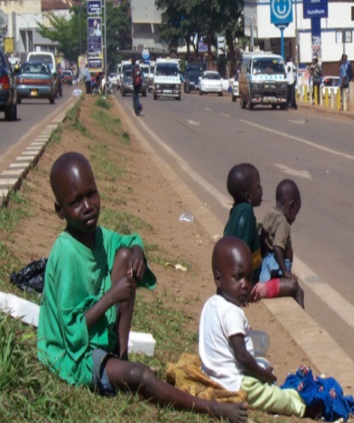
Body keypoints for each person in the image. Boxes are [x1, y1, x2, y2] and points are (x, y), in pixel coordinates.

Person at [38, 152, 248, 423]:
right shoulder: (67, 253)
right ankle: (212, 408)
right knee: (141, 376)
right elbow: (70, 334)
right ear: (60, 211)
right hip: (70, 354)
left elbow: (129, 240)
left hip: (90, 338)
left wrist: (137, 250)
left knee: (125, 255)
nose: (88, 206)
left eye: (91, 194)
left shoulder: (96, 236)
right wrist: (111, 297)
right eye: (76, 202)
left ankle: (120, 356)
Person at [200, 237, 319, 418]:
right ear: (218, 278)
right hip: (235, 382)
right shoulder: (232, 312)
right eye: (238, 277)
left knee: (263, 363)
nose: (245, 285)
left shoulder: (210, 304)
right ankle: (299, 405)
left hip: (212, 375)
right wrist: (264, 376)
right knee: (273, 395)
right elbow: (242, 356)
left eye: (249, 278)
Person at [251, 179, 304, 308]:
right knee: (298, 290)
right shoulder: (283, 223)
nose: (294, 219)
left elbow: (262, 237)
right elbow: (277, 246)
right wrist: (285, 272)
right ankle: (300, 311)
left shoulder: (269, 214)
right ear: (291, 206)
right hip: (277, 268)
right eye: (295, 213)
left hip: (267, 265)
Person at [223, 163, 263, 284]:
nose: (261, 190)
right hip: (248, 279)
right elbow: (242, 250)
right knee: (292, 286)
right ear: (248, 195)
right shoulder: (247, 212)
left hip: (232, 275)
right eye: (258, 187)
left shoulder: (236, 210)